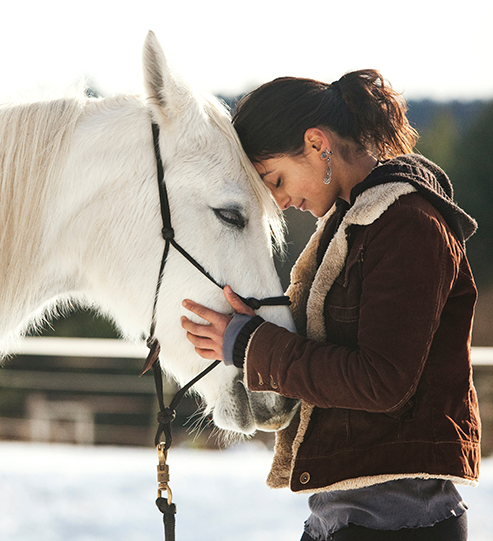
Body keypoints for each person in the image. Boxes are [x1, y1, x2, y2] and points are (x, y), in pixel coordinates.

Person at [180, 70, 480, 540]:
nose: (279, 201)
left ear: (317, 144)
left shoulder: (408, 225)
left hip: (400, 523)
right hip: (342, 517)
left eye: (275, 179)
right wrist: (250, 328)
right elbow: (326, 353)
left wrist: (251, 345)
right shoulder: (350, 227)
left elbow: (381, 381)